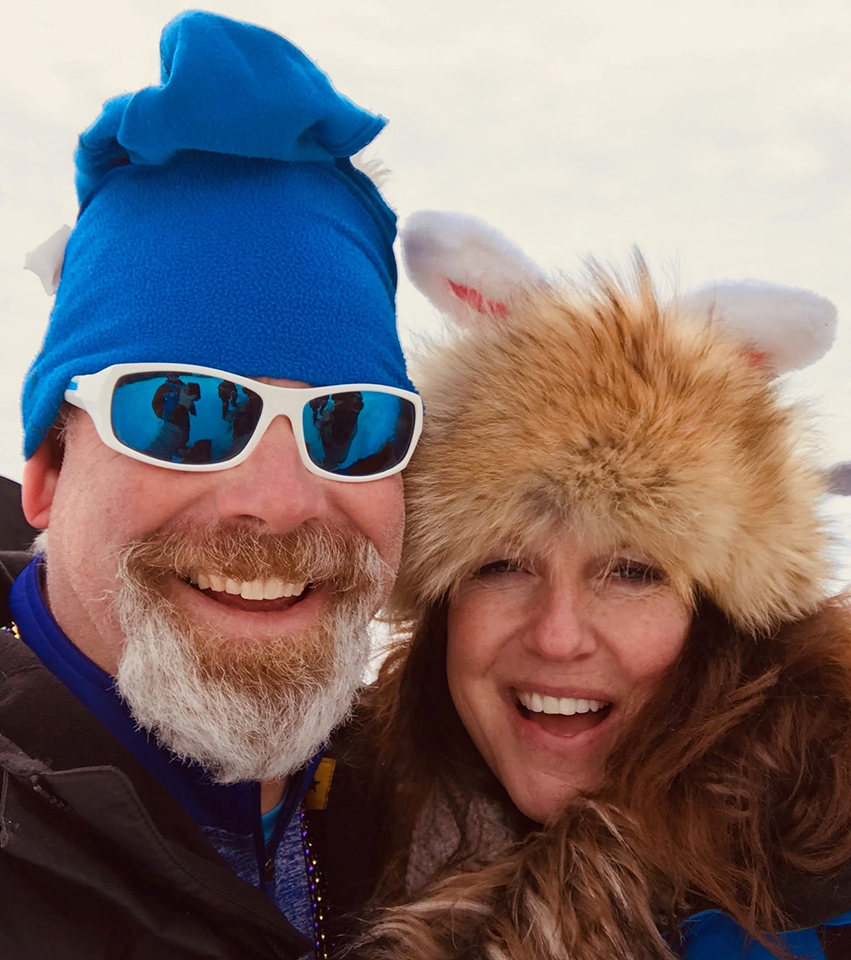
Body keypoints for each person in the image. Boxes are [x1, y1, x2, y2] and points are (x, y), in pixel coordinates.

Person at [326, 211, 851, 959]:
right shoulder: (333, 832)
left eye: (631, 572)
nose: (558, 634)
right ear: (437, 603)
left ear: (727, 616)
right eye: (500, 565)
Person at [0, 12, 422, 960]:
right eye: (183, 411)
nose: (278, 499)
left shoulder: (436, 809)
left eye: (350, 424)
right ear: (48, 471)